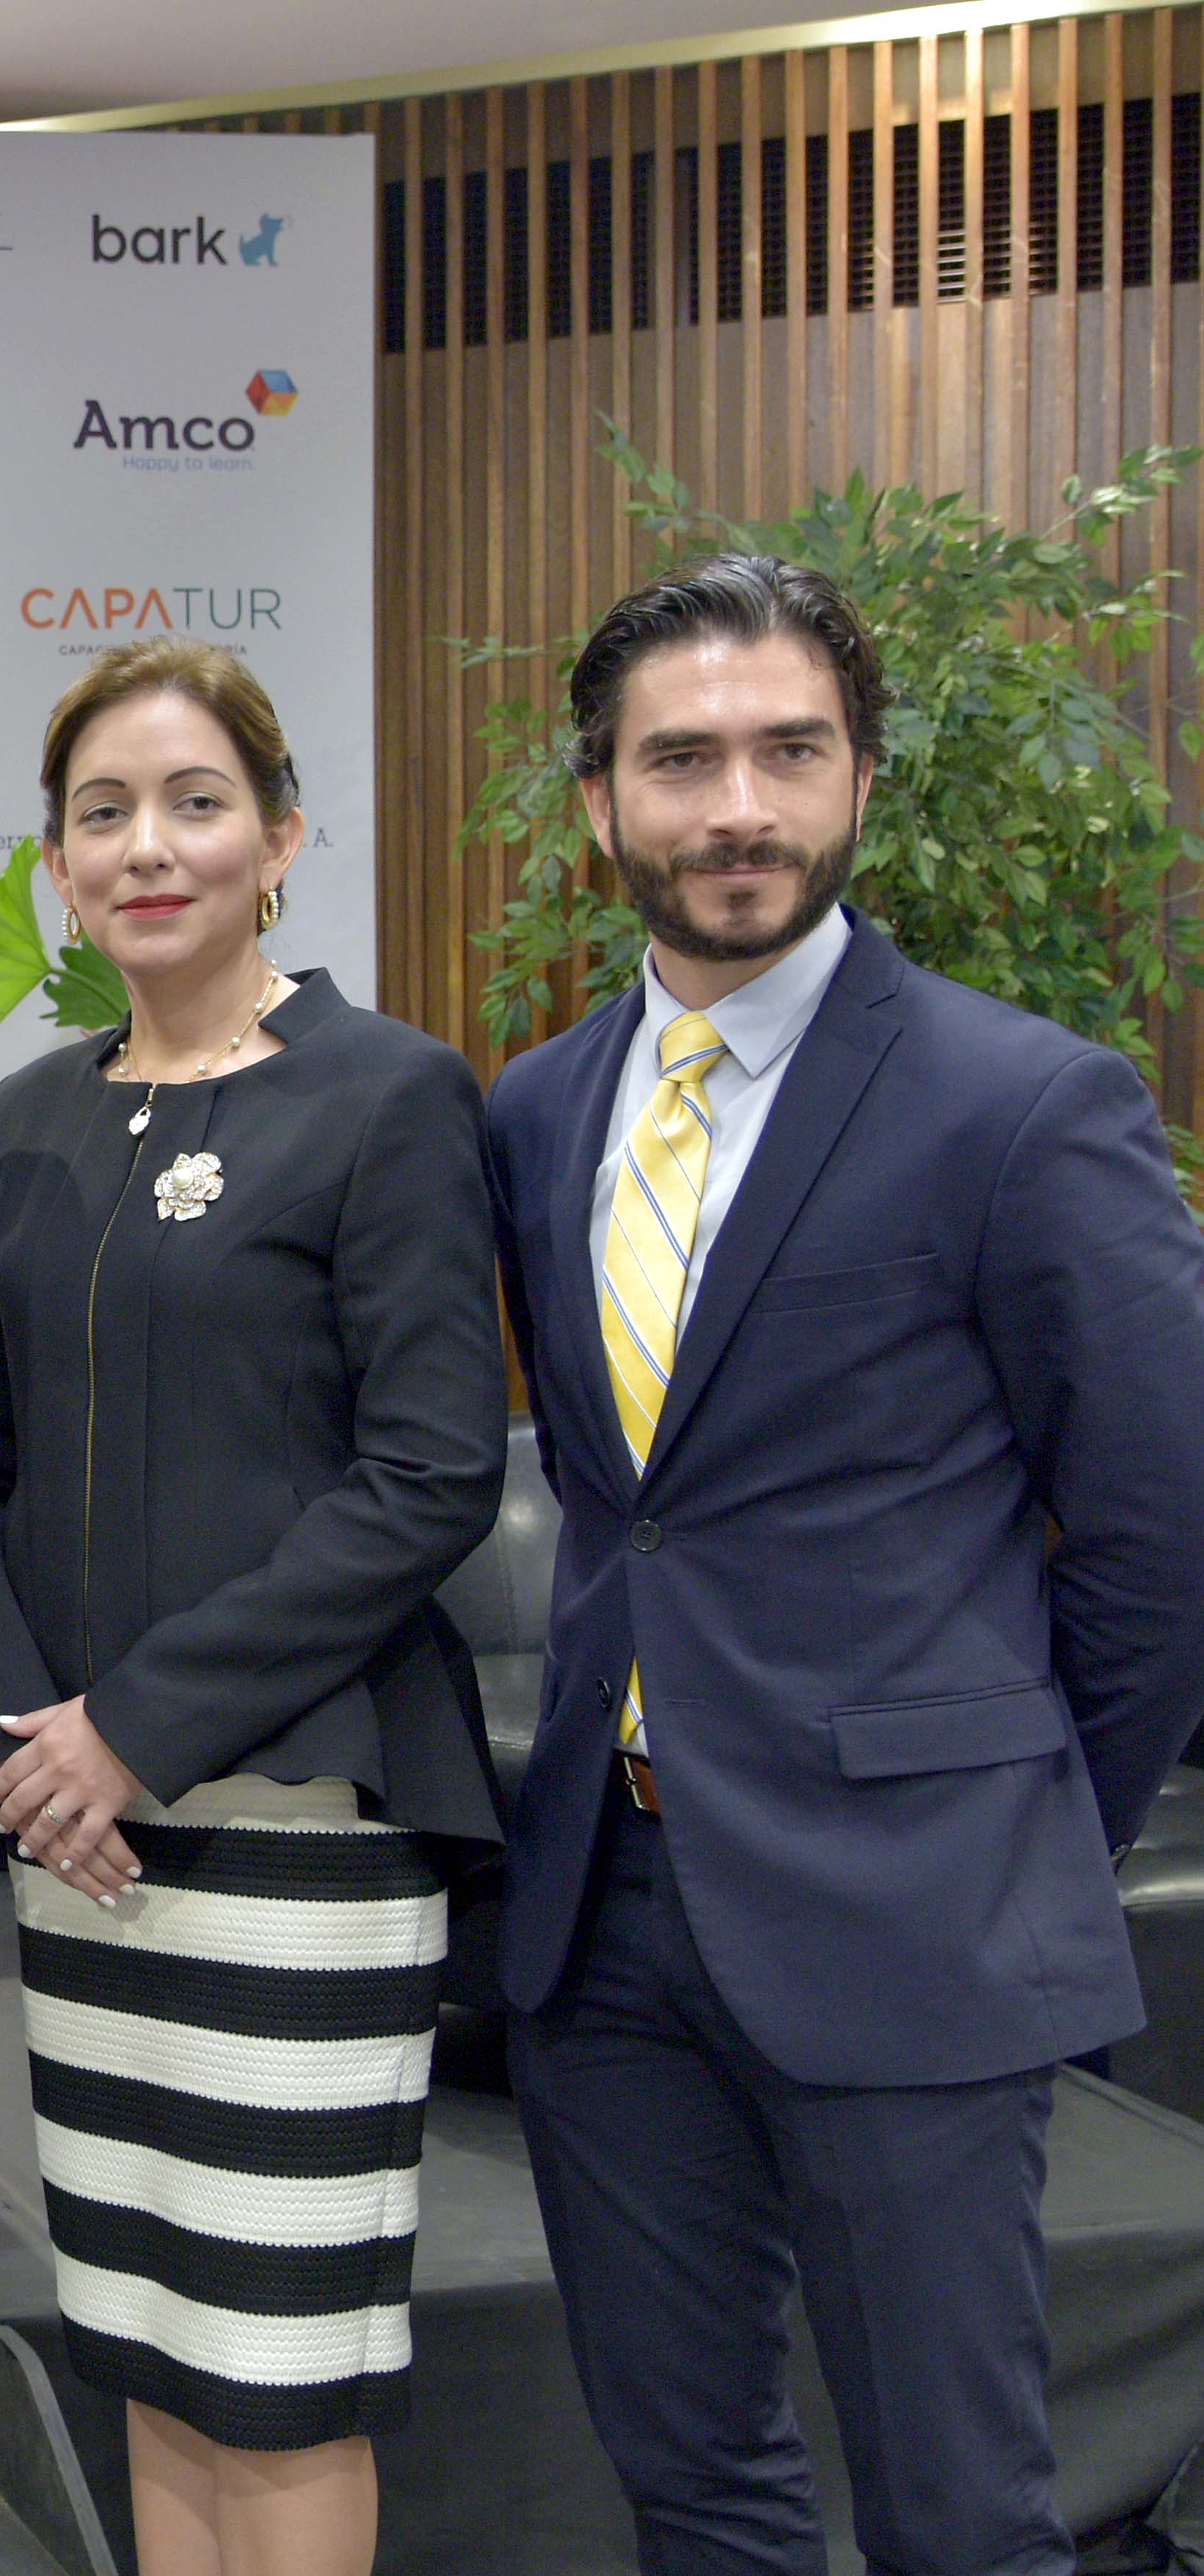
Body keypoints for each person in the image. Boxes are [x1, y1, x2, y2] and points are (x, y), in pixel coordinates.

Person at [485, 554, 1204, 2576]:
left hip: (915, 1918)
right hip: (601, 1915)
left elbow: (1166, 1536)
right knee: (692, 2483)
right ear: (601, 798)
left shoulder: (1027, 1101)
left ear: (862, 778)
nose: (740, 806)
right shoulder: (540, 1109)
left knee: (963, 2517)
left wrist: (1015, 1809)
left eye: (791, 750)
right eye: (685, 758)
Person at [0, 641, 507, 2575]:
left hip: (297, 1828)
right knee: (150, 2349)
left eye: (195, 803)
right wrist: (34, 1750)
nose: (147, 846)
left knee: (279, 2374)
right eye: (102, 813)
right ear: (60, 864)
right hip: (75, 1842)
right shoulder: (24, 1121)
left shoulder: (389, 1095)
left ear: (280, 836)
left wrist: (136, 1726)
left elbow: (430, 1475)